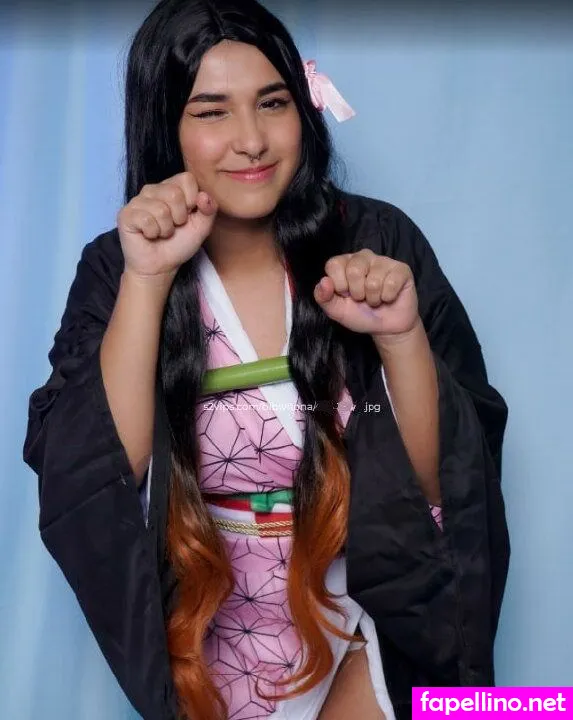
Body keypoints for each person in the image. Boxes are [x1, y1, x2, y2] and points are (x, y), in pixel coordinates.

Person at [22, 0, 510, 718]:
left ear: (303, 109)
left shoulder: (375, 240)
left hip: (371, 606)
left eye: (272, 103)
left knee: (514, 704)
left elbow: (446, 481)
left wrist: (400, 338)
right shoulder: (117, 266)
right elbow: (95, 476)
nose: (251, 140)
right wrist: (148, 279)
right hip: (207, 623)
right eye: (211, 112)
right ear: (165, 126)